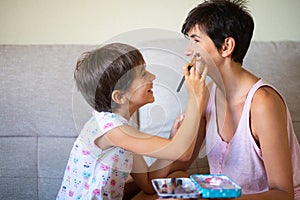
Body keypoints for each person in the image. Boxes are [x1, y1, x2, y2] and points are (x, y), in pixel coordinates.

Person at [130, 0, 300, 200]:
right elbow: (169, 171)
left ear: (226, 46)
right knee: (158, 190)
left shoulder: (263, 103)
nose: (187, 51)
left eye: (196, 40)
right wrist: (173, 139)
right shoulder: (208, 93)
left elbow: (283, 194)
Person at [56, 42, 208, 200]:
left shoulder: (121, 130)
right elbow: (182, 152)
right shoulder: (114, 131)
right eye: (143, 74)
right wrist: (195, 96)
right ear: (120, 96)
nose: (152, 76)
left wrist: (171, 140)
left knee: (179, 178)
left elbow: (149, 184)